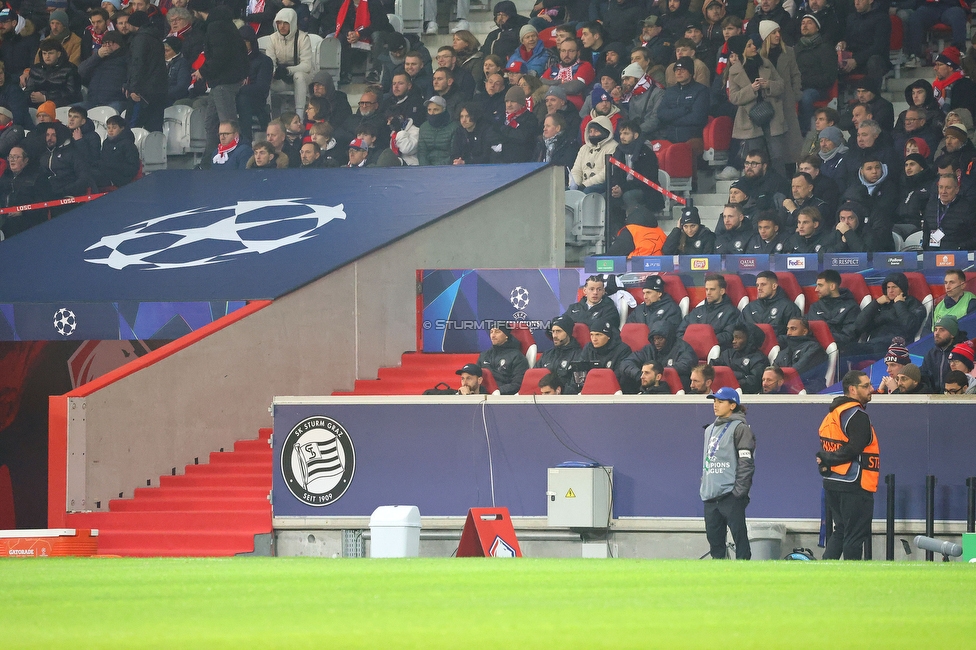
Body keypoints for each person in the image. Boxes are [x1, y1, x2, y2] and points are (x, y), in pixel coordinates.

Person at [817, 369, 880, 561]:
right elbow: (854, 448)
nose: (872, 389)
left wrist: (827, 460)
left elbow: (830, 448)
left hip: (833, 482)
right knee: (854, 536)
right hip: (855, 483)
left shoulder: (832, 414)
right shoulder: (857, 415)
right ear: (852, 389)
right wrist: (829, 459)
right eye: (866, 386)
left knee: (841, 531)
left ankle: (826, 576)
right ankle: (852, 579)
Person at [188, 0, 249, 161]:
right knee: (211, 123)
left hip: (224, 82)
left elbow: (220, 56)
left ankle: (235, 158)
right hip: (221, 82)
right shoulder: (225, 24)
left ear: (198, 10)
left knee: (227, 123)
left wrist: (203, 70)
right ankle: (209, 160)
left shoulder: (216, 27)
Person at [700, 386, 755, 560]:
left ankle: (744, 578)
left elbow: (746, 462)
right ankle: (720, 580)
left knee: (740, 540)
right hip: (710, 496)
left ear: (732, 405)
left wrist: (739, 492)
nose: (715, 405)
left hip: (730, 495)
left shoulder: (740, 428)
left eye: (720, 401)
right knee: (715, 543)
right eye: (714, 401)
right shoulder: (709, 429)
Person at [725, 34, 788, 174]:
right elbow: (734, 98)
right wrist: (751, 89)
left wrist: (769, 84)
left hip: (772, 116)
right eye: (749, 45)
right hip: (750, 120)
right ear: (741, 50)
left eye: (753, 44)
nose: (754, 47)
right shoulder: (734, 70)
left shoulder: (765, 63)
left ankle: (781, 188)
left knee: (777, 156)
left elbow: (781, 86)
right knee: (756, 159)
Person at [853, 272, 926, 356]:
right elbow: (858, 325)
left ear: (902, 288)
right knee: (846, 350)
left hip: (896, 346)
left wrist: (899, 304)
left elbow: (910, 327)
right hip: (873, 344)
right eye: (888, 287)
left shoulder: (913, 303)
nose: (890, 291)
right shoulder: (881, 304)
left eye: (894, 287)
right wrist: (875, 304)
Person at [621, 320, 697, 392]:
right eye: (654, 339)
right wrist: (640, 374)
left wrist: (658, 373)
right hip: (650, 383)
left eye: (660, 339)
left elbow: (687, 364)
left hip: (671, 385)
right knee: (626, 378)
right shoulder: (649, 349)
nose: (656, 342)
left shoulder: (682, 348)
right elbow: (626, 363)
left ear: (668, 338)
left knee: (684, 378)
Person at [794, 13, 837, 136]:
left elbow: (829, 77)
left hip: (818, 90)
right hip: (798, 87)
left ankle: (805, 132)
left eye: (809, 23)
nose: (805, 26)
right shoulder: (796, 49)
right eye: (803, 23)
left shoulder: (825, 48)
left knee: (805, 96)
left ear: (817, 28)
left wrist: (805, 81)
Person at [124, 11, 168, 132]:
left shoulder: (140, 39)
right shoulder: (156, 37)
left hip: (143, 92)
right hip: (158, 90)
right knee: (154, 128)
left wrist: (133, 88)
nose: (126, 26)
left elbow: (137, 64)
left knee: (133, 127)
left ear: (135, 24)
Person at [836, 0, 891, 92]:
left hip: (873, 59)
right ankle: (838, 100)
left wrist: (857, 60)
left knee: (874, 61)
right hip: (852, 58)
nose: (856, 2)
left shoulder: (882, 18)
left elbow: (878, 47)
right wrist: (843, 43)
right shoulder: (851, 18)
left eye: (860, 0)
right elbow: (846, 38)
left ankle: (874, 97)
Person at [267, 8, 313, 114]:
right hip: (280, 79)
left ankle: (299, 115)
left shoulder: (303, 38)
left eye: (285, 23)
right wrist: (274, 71)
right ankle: (268, 114)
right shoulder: (272, 39)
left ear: (292, 23)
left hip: (302, 78)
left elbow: (307, 65)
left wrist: (288, 70)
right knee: (265, 76)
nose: (282, 26)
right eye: (279, 23)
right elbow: (270, 61)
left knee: (299, 76)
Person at [0, 146, 52, 239]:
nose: (12, 160)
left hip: (27, 221)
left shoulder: (37, 177)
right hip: (4, 218)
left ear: (25, 160)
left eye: (16, 157)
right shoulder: (5, 176)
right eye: (10, 157)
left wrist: (22, 211)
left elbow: (44, 203)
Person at [679, 273, 740, 349]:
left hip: (717, 353)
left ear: (722, 291)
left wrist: (704, 341)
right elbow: (680, 333)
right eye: (706, 289)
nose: (708, 293)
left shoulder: (732, 312)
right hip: (690, 352)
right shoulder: (697, 311)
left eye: (712, 289)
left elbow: (728, 335)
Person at [923, 171, 976, 251]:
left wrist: (959, 247)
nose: (943, 191)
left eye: (948, 188)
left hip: (959, 256)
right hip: (932, 254)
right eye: (941, 187)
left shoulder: (968, 208)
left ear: (957, 189)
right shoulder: (930, 206)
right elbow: (926, 232)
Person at [808, 269, 860, 350]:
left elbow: (848, 337)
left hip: (840, 349)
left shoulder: (851, 307)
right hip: (814, 347)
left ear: (832, 286)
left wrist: (826, 335)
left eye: (820, 285)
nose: (816, 289)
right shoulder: (815, 307)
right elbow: (811, 332)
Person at [774, 317, 828, 392]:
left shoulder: (814, 348)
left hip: (810, 388)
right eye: (788, 329)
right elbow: (773, 373)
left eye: (793, 329)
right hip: (785, 388)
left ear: (804, 331)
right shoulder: (784, 351)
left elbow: (798, 371)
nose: (788, 333)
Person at [741, 271, 801, 337]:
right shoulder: (749, 308)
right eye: (757, 285)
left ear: (774, 286)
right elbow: (738, 331)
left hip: (779, 346)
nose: (759, 288)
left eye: (763, 284)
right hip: (750, 346)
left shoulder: (788, 307)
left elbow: (793, 335)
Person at [25, 40, 82, 108]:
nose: (47, 56)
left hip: (63, 105)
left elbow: (72, 93)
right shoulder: (36, 69)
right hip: (37, 104)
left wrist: (46, 97)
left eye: (50, 53)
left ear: (58, 54)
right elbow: (28, 90)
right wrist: (33, 96)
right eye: (44, 53)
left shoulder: (70, 69)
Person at [476, 322, 528, 395]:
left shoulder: (517, 356)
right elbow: (475, 377)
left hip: (505, 398)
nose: (493, 335)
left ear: (506, 335)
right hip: (482, 395)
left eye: (497, 332)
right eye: (491, 332)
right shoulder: (484, 355)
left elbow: (518, 384)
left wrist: (497, 392)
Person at [714, 323, 767, 394]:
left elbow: (754, 383)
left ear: (749, 339)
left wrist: (731, 381)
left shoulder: (759, 359)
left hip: (746, 396)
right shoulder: (727, 353)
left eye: (738, 338)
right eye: (734, 338)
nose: (734, 341)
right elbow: (713, 368)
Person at [569, 115, 617, 193]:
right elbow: (576, 170)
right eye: (590, 131)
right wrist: (575, 184)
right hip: (582, 186)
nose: (592, 134)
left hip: (602, 185)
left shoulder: (613, 147)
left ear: (605, 132)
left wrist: (585, 185)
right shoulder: (584, 148)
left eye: (596, 131)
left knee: (588, 191)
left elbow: (606, 173)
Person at [537, 314, 583, 394]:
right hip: (542, 399)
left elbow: (577, 385)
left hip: (566, 401)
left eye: (558, 331)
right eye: (553, 331)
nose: (554, 335)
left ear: (568, 333)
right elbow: (535, 377)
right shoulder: (547, 354)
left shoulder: (579, 355)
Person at [578, 320, 632, 388]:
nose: (594, 339)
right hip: (589, 389)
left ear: (608, 336)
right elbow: (579, 371)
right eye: (591, 334)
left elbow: (620, 378)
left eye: (598, 335)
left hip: (614, 391)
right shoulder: (588, 348)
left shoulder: (622, 350)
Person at [93, 115, 139, 188]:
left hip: (119, 179)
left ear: (122, 128)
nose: (110, 130)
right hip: (105, 173)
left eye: (114, 128)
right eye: (108, 128)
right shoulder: (106, 143)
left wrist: (110, 165)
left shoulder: (128, 144)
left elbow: (132, 168)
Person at [931, 46, 976, 118]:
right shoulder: (936, 86)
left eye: (939, 64)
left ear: (950, 67)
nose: (935, 68)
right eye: (935, 65)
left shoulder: (966, 87)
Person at [417, 96, 458, 166]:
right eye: (429, 110)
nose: (432, 113)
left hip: (448, 168)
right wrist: (426, 168)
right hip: (427, 170)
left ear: (444, 110)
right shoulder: (424, 127)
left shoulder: (455, 127)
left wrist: (437, 168)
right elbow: (422, 153)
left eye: (436, 109)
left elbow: (454, 153)